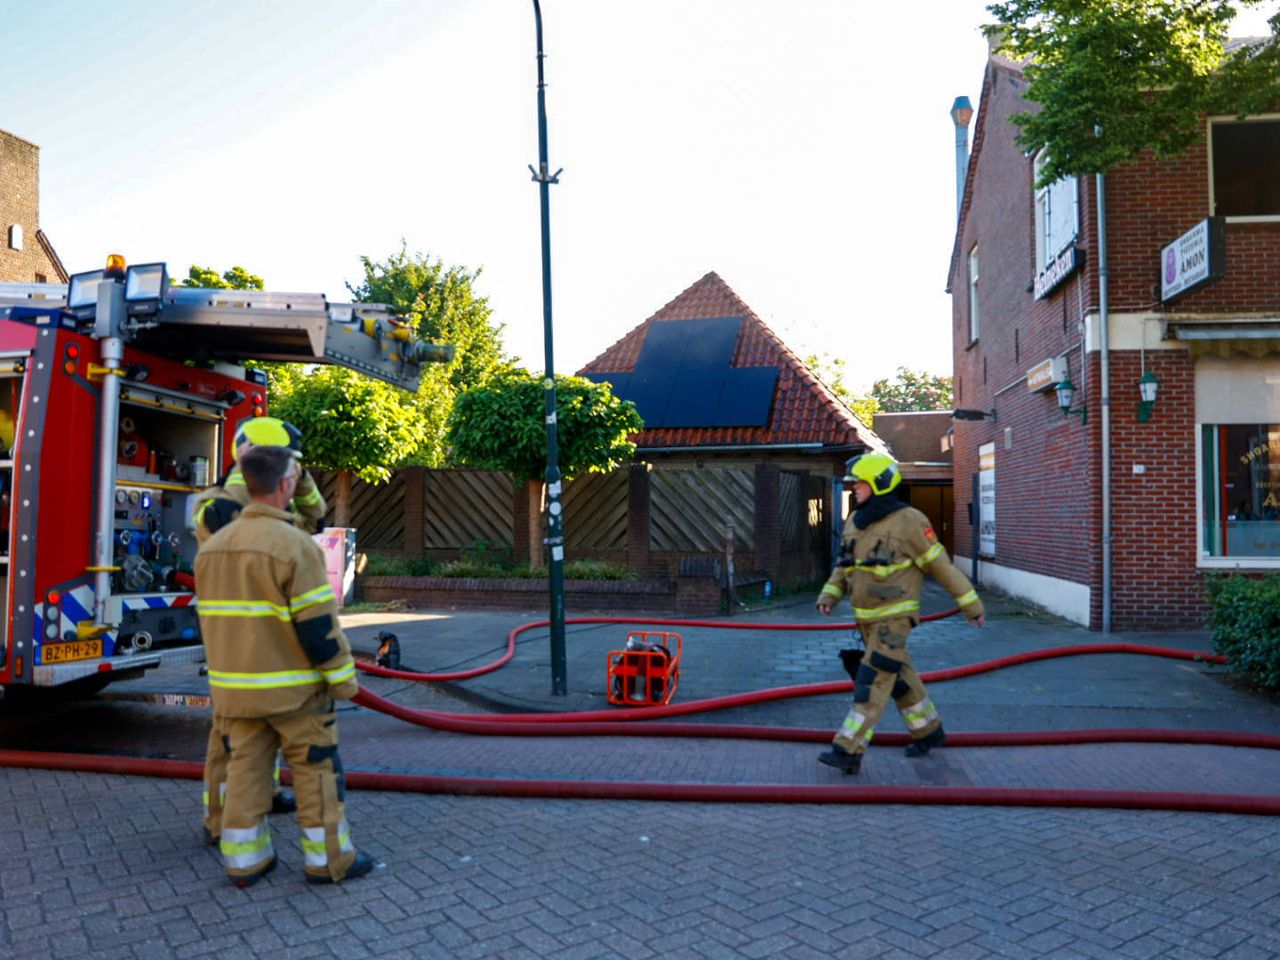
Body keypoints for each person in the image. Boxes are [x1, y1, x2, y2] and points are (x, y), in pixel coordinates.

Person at [196, 444, 374, 887]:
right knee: (316, 772)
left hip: (233, 695)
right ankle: (329, 859)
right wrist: (343, 679)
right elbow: (318, 627)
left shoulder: (211, 549)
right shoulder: (293, 545)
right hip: (295, 693)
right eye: (294, 477)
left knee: (245, 772)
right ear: (284, 485)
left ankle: (244, 861)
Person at [194, 416, 327, 846]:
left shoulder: (270, 509)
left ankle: (262, 796)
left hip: (266, 644)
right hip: (239, 645)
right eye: (292, 465)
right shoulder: (219, 507)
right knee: (228, 743)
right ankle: (221, 821)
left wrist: (299, 482)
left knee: (254, 736)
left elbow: (316, 517)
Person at [815, 453, 985, 775]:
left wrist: (971, 605)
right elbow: (844, 566)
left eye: (861, 484)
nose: (855, 489)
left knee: (873, 681)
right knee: (901, 679)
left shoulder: (910, 521)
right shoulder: (855, 521)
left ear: (879, 484)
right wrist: (830, 594)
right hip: (865, 620)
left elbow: (941, 567)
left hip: (894, 620)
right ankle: (928, 731)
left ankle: (848, 749)